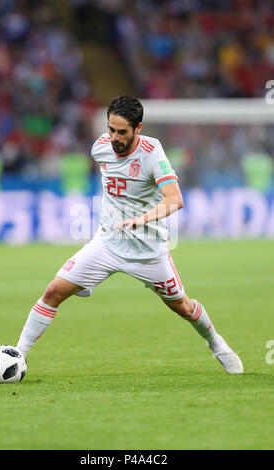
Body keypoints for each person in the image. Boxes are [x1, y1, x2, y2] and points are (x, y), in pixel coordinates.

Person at [16, 95, 243, 374]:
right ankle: (18, 356)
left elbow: (175, 198)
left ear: (138, 128)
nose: (114, 137)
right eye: (111, 129)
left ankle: (216, 343)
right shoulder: (100, 148)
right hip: (107, 244)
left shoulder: (152, 153)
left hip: (148, 253)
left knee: (183, 307)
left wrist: (142, 218)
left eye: (122, 132)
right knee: (53, 292)